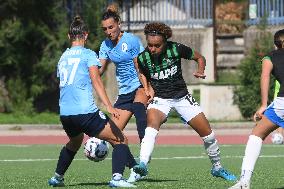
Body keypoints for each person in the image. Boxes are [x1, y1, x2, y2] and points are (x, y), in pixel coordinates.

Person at [132, 22, 237, 182]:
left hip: (182, 98)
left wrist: (201, 70)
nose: (152, 49)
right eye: (150, 45)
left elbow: (200, 57)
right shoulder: (143, 57)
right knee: (151, 127)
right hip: (161, 100)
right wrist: (147, 88)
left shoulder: (176, 48)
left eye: (157, 46)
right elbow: (142, 72)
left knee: (208, 135)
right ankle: (143, 165)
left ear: (165, 42)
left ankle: (217, 168)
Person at [48, 16, 137, 188]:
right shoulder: (88, 54)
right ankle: (117, 179)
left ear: (69, 36)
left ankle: (57, 178)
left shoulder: (63, 57)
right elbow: (96, 80)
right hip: (85, 112)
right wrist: (109, 106)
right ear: (86, 35)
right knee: (120, 139)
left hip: (65, 114)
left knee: (74, 141)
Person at [99, 5, 148, 182]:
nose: (108, 31)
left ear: (118, 24)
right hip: (124, 93)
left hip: (139, 87)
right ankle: (135, 167)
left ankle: (144, 160)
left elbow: (140, 66)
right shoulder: (105, 45)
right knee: (112, 134)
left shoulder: (132, 40)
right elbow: (100, 69)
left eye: (111, 27)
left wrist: (147, 88)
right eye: (105, 29)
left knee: (141, 117)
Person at [229, 29, 284, 189]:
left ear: (275, 44)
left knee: (257, 135)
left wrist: (263, 105)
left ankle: (244, 182)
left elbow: (265, 77)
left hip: (282, 103)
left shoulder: (270, 57)